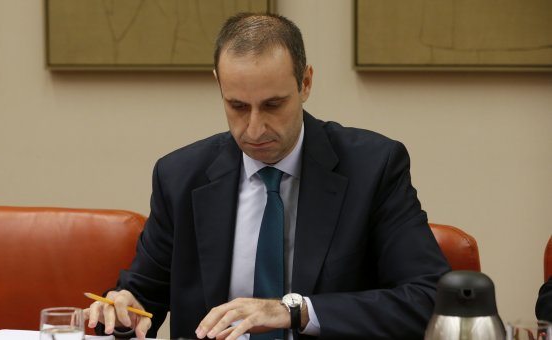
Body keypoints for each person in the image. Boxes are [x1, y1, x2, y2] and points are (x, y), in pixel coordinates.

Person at [85, 12, 450, 339]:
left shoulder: (373, 167)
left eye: (273, 105)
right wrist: (122, 308)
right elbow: (143, 294)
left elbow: (429, 297)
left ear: (305, 84)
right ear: (219, 87)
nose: (254, 129)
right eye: (238, 107)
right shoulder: (180, 176)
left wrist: (296, 311)